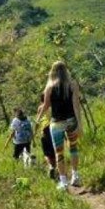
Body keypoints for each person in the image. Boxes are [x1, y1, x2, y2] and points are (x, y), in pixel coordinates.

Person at [36, 61, 83, 191]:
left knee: (59, 153)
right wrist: (79, 123)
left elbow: (46, 106)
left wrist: (38, 119)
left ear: (53, 71)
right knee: (73, 148)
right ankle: (75, 176)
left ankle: (63, 181)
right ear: (65, 71)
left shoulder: (49, 87)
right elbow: (76, 105)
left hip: (56, 123)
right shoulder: (73, 84)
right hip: (71, 121)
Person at [37, 94, 57, 180]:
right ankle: (55, 168)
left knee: (46, 153)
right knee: (55, 152)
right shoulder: (54, 107)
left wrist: (34, 133)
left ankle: (50, 166)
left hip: (45, 131)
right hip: (55, 130)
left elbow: (38, 121)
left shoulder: (40, 108)